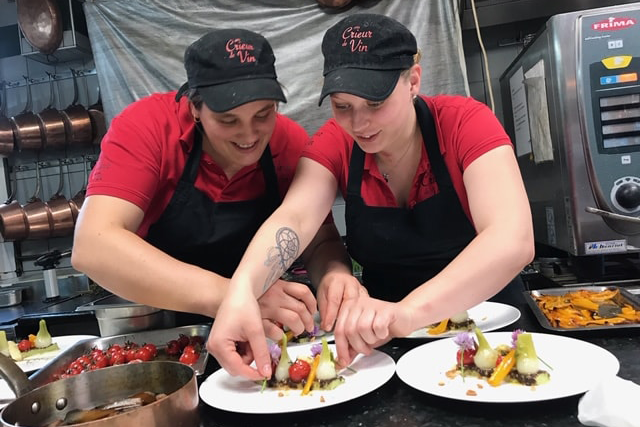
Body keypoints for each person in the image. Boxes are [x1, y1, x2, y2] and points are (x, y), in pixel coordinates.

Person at [207, 13, 534, 380]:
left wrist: (406, 312)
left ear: (413, 81)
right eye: (343, 106)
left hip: (495, 332)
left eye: (375, 104)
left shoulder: (463, 122)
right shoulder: (335, 142)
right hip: (382, 344)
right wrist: (241, 292)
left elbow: (512, 239)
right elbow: (294, 219)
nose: (359, 124)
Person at [71, 29, 355, 339]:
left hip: (255, 323)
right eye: (228, 120)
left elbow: (319, 242)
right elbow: (92, 246)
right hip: (159, 325)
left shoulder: (288, 144)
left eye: (263, 114)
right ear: (195, 107)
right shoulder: (148, 127)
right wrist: (233, 298)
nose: (249, 135)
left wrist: (333, 275)